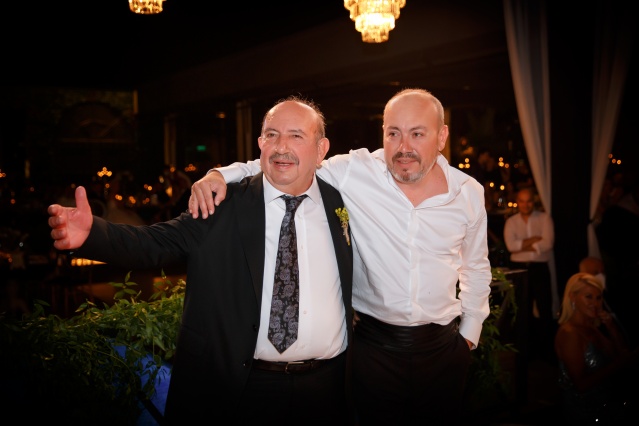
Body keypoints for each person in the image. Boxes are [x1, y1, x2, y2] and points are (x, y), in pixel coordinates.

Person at [188, 88, 493, 424]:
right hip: (372, 350)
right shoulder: (355, 171)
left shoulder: (467, 193)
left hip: (443, 349)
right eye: (393, 133)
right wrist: (219, 175)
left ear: (442, 136)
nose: (403, 147)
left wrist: (468, 337)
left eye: (417, 134)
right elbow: (284, 163)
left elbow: (476, 267)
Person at [47, 96, 355, 425]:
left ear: (321, 149)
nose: (281, 147)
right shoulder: (222, 203)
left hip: (328, 388)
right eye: (272, 135)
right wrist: (93, 234)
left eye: (296, 136)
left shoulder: (344, 203)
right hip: (243, 389)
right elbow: (156, 243)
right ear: (260, 144)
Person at [555, 272, 639, 424]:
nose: (595, 303)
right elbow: (581, 385)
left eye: (598, 297)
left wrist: (611, 326)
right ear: (573, 297)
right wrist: (619, 363)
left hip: (609, 406)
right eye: (588, 297)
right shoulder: (570, 333)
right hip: (586, 413)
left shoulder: (592, 326)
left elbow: (622, 353)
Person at [503, 186, 556, 361]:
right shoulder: (511, 222)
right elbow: (511, 247)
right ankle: (525, 352)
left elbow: (548, 243)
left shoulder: (544, 218)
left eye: (529, 201)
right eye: (522, 201)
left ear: (534, 202)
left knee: (545, 308)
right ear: (517, 202)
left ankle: (547, 351)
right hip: (519, 269)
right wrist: (534, 240)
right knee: (522, 309)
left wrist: (522, 245)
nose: (525, 205)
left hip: (539, 269)